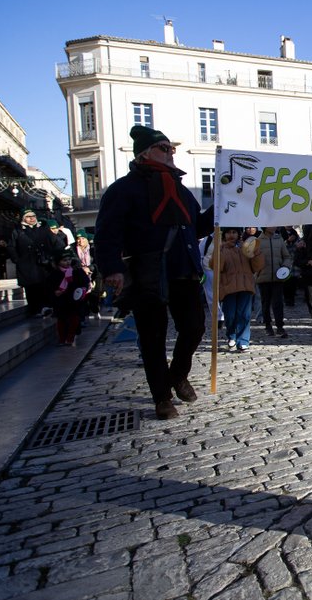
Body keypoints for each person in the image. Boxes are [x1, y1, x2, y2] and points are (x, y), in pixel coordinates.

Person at [95, 125, 214, 421]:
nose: (171, 152)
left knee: (195, 327)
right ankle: (162, 397)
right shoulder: (123, 189)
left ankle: (177, 375)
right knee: (152, 338)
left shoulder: (181, 190)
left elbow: (196, 227)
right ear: (145, 153)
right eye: (164, 148)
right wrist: (112, 269)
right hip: (147, 273)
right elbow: (107, 232)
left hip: (184, 271)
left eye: (172, 148)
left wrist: (223, 207)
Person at [209, 227, 261, 353]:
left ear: (238, 234)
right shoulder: (220, 248)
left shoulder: (245, 247)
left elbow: (256, 266)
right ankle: (231, 335)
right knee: (230, 315)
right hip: (228, 287)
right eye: (228, 233)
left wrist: (256, 253)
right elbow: (216, 267)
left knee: (244, 315)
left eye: (234, 232)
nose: (231, 235)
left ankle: (243, 341)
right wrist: (220, 249)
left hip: (245, 285)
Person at [11, 209, 56, 316]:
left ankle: (46, 307)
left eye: (33, 216)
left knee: (44, 286)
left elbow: (54, 242)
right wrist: (17, 259)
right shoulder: (17, 230)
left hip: (42, 263)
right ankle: (35, 310)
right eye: (28, 216)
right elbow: (11, 246)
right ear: (23, 218)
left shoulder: (43, 228)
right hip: (26, 264)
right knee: (31, 288)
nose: (32, 218)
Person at [254, 226, 293, 338]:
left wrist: (285, 267)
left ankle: (280, 326)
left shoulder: (279, 239)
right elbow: (253, 259)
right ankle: (268, 326)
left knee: (278, 303)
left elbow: (287, 256)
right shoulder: (258, 241)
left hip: (277, 277)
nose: (274, 226)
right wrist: (257, 271)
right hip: (263, 277)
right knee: (265, 303)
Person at [49, 249, 90, 346]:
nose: (67, 262)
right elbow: (49, 285)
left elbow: (85, 281)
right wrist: (55, 292)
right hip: (61, 300)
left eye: (69, 260)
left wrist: (81, 290)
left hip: (74, 299)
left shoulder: (76, 270)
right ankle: (62, 338)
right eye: (64, 260)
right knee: (61, 319)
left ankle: (70, 337)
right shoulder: (55, 273)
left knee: (74, 318)